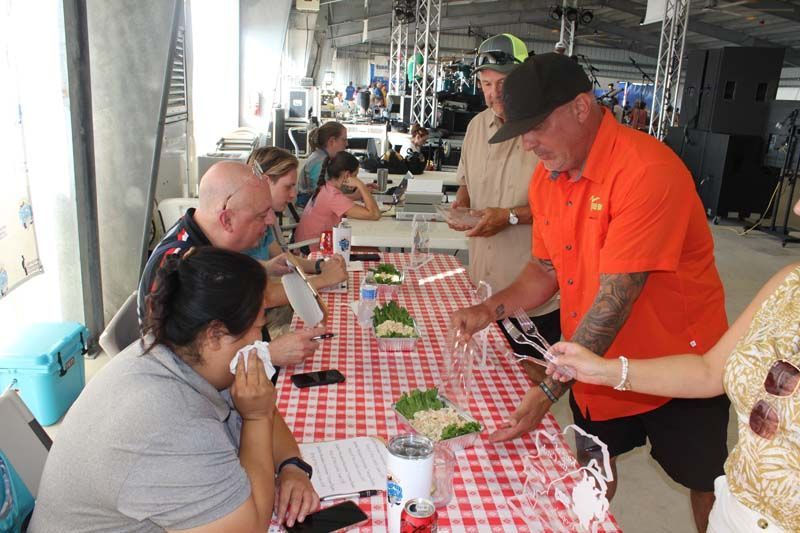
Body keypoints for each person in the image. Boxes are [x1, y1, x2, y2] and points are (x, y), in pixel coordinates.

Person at [449, 53, 730, 532]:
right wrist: (487, 310)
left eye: (536, 125)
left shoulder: (644, 171)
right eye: (521, 130)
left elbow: (614, 301)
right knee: (593, 469)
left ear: (581, 107)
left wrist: (548, 390)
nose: (528, 142)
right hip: (596, 364)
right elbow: (544, 270)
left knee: (707, 484)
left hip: (678, 366)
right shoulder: (548, 176)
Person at [546, 201, 800, 532]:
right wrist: (602, 370)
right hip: (735, 512)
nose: (796, 207)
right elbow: (710, 371)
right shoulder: (789, 282)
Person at [30, 247, 319, 531]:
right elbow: (250, 525)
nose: (261, 339)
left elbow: (258, 402)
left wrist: (291, 465)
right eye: (258, 326)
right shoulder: (170, 421)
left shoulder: (182, 352)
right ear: (215, 335)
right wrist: (257, 419)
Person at [139, 161, 325, 368]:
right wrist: (267, 355)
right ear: (226, 220)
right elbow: (177, 365)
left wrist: (264, 267)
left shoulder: (211, 239)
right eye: (262, 215)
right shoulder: (178, 266)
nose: (271, 220)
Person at [450, 33, 560, 368]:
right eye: (486, 84)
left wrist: (510, 216)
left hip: (534, 298)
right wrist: (461, 206)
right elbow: (466, 182)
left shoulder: (548, 130)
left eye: (503, 83)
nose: (494, 93)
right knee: (484, 387)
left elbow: (561, 208)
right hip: (482, 289)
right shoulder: (475, 126)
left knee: (530, 385)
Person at [244, 146, 347, 296]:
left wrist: (321, 265)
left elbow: (283, 258)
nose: (293, 195)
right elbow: (267, 296)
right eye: (288, 187)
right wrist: (324, 279)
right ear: (265, 182)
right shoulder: (244, 225)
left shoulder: (265, 218)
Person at [294, 151, 380, 251]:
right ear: (347, 175)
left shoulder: (325, 188)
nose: (356, 179)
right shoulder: (333, 196)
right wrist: (361, 186)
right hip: (316, 249)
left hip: (306, 245)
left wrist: (355, 195)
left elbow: (337, 202)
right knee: (373, 251)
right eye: (355, 176)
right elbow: (374, 214)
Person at [297, 122, 348, 207]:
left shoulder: (322, 157)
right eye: (344, 140)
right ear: (332, 141)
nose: (347, 144)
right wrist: (354, 196)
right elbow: (323, 197)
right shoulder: (319, 162)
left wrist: (354, 189)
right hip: (309, 212)